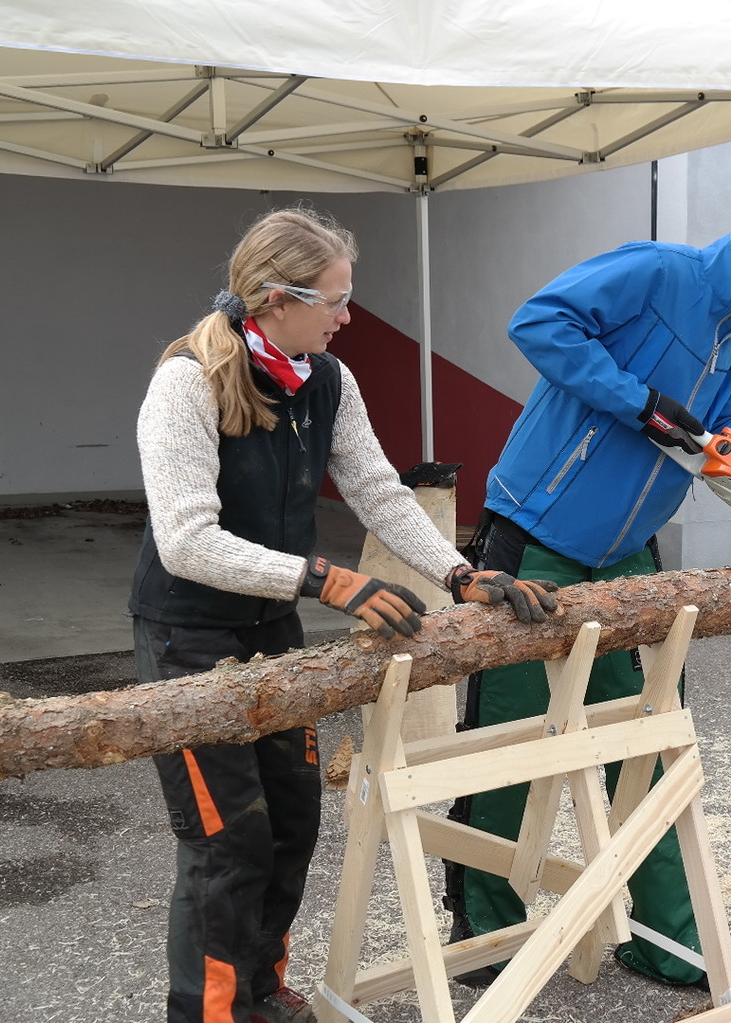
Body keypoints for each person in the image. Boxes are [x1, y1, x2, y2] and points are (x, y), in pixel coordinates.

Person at [130, 205, 560, 1023]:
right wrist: (324, 579)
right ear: (273, 298)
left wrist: (458, 571)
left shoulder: (326, 377)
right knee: (227, 845)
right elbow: (186, 540)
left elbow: (375, 488)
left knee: (290, 827)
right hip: (188, 635)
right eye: (334, 299)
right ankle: (208, 1013)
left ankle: (261, 993)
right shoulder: (188, 380)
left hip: (270, 634)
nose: (348, 315)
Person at [445, 192, 731, 989]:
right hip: (533, 541)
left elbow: (713, 435)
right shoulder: (657, 272)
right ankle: (486, 937)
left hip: (628, 555)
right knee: (510, 745)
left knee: (647, 742)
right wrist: (637, 401)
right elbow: (538, 321)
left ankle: (667, 937)